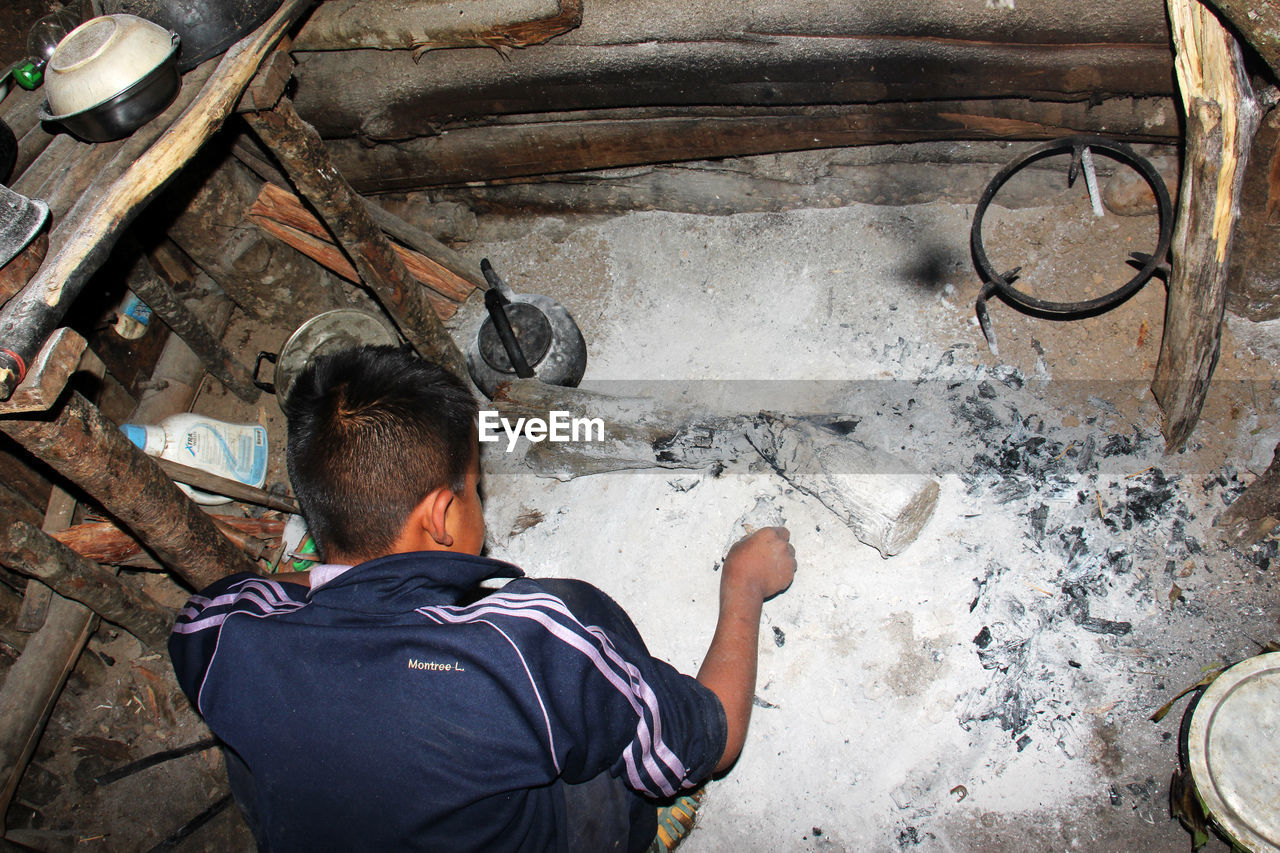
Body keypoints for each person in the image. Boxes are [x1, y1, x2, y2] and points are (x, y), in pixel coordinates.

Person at [168, 345, 796, 852]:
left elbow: (226, 603)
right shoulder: (533, 645)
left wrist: (337, 577)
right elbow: (718, 739)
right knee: (627, 752)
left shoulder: (221, 633)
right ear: (441, 516)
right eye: (473, 487)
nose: (481, 501)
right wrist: (743, 586)